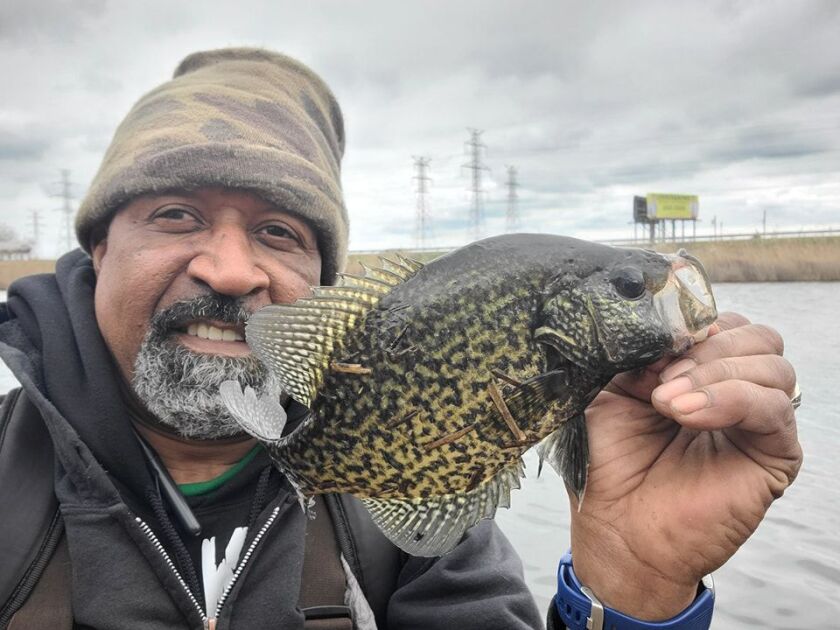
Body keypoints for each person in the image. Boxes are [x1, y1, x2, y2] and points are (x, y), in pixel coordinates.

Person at [0, 48, 801, 630]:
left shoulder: (418, 486)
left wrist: (634, 585)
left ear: (322, 284)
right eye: (177, 214)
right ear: (98, 247)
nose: (231, 268)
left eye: (280, 230)